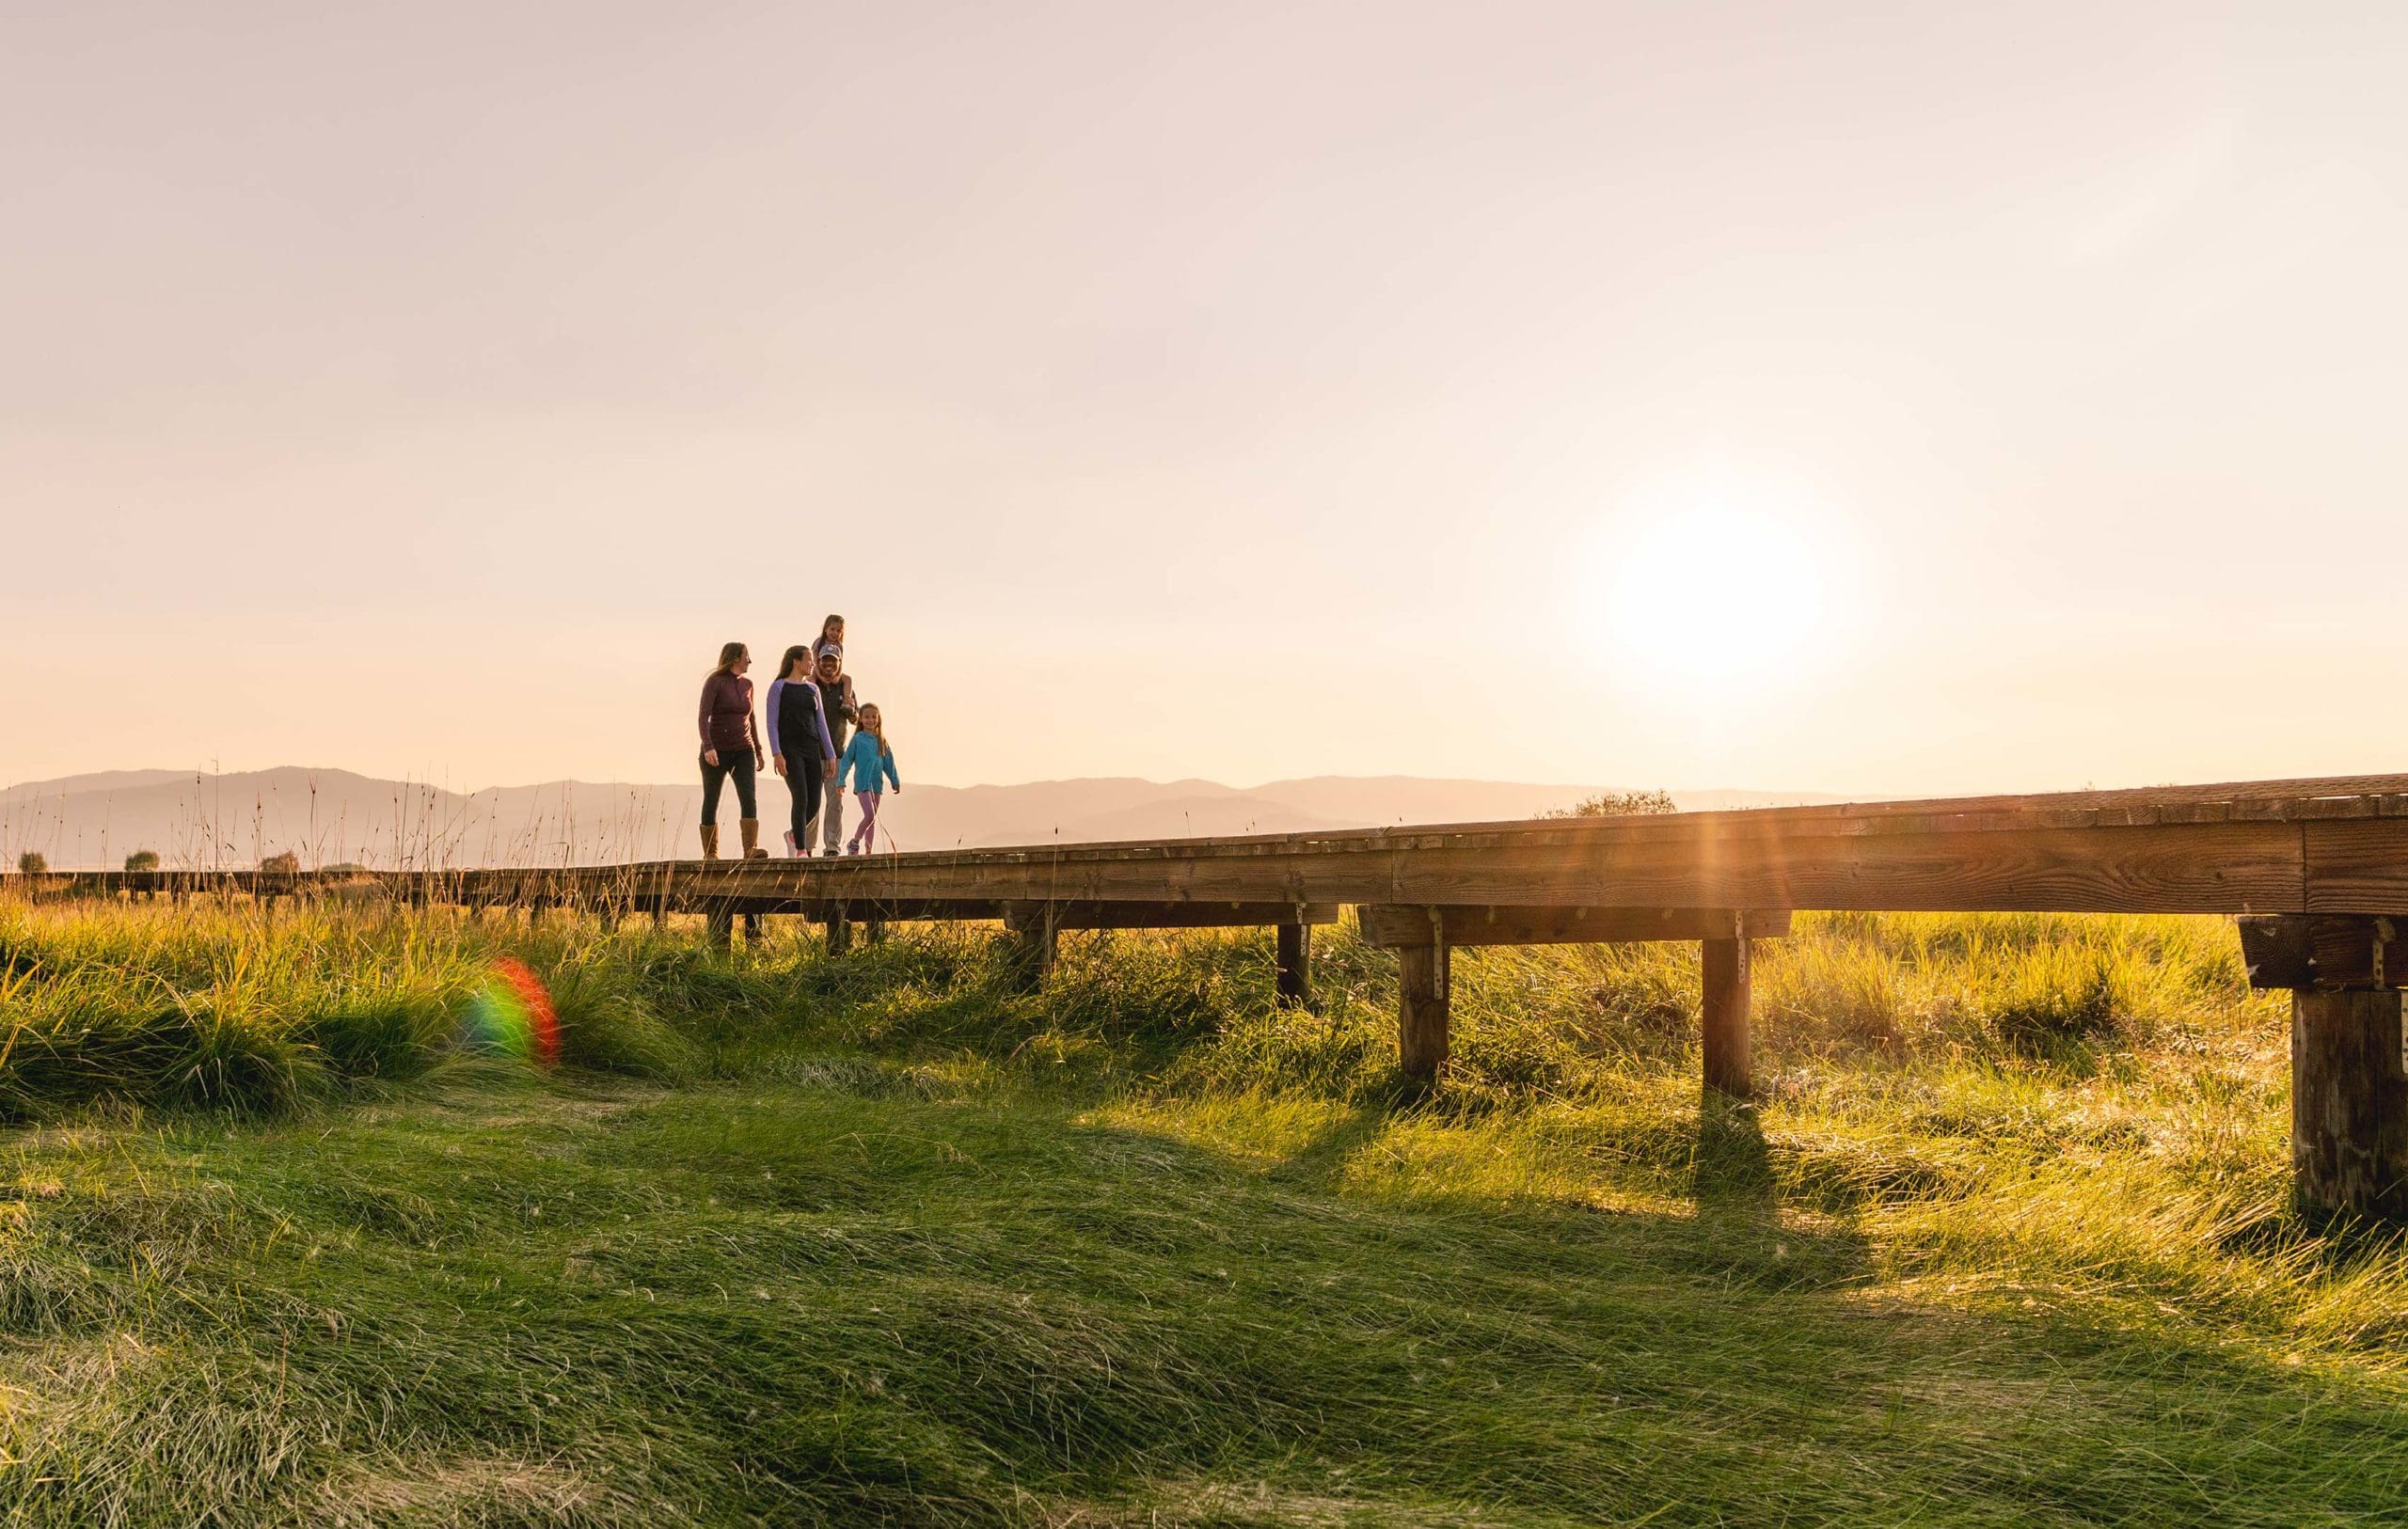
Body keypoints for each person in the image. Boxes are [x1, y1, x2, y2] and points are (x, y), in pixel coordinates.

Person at [695, 641, 768, 859]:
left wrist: (758, 749)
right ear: (736, 658)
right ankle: (711, 853)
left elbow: (751, 718)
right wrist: (708, 746)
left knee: (748, 796)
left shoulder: (748, 684)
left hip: (743, 749)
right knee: (712, 797)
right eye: (747, 656)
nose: (750, 661)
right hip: (717, 750)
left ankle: (750, 848)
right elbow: (703, 716)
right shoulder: (715, 682)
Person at [766, 645, 838, 858]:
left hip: (811, 749)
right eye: (808, 660)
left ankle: (793, 835)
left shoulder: (813, 689)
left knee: (815, 802)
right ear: (796, 661)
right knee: (801, 797)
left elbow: (821, 724)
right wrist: (776, 753)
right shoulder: (778, 687)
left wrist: (831, 754)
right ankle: (800, 849)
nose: (812, 664)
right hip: (789, 749)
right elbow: (771, 724)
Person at [813, 646, 860, 855]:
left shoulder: (846, 688)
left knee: (835, 802)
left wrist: (851, 710)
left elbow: (855, 718)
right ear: (819, 662)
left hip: (838, 753)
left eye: (833, 660)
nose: (828, 664)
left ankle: (832, 846)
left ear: (839, 663)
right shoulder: (811, 686)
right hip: (813, 753)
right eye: (825, 660)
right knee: (811, 802)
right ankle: (806, 847)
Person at [837, 702, 901, 854]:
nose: (870, 720)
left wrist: (895, 780)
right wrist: (841, 781)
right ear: (860, 719)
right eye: (867, 717)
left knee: (872, 820)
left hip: (877, 784)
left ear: (878, 719)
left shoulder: (881, 740)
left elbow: (889, 762)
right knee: (869, 815)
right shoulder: (858, 739)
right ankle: (854, 843)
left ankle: (868, 851)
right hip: (862, 783)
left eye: (874, 717)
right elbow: (846, 761)